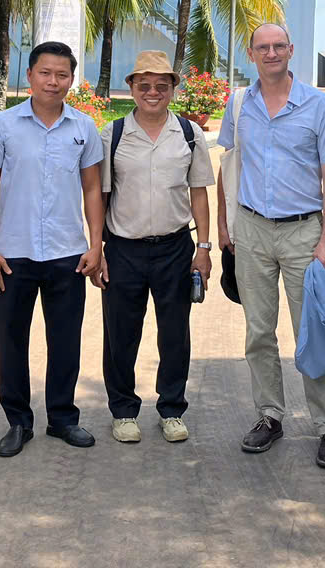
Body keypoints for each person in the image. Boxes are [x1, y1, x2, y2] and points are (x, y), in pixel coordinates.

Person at [216, 22, 325, 468]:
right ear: (251, 54)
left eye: (279, 46)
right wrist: (224, 226)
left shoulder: (316, 105)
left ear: (291, 51)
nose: (271, 53)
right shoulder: (238, 104)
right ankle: (269, 415)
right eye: (262, 47)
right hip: (251, 229)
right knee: (258, 331)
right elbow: (228, 165)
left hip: (304, 232)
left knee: (312, 331)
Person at [0, 41, 106, 456]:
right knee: (11, 340)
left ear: (72, 79)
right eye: (45, 73)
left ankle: (63, 419)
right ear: (30, 75)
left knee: (65, 340)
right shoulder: (3, 124)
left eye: (62, 74)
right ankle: (17, 421)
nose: (54, 82)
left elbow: (92, 190)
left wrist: (96, 244)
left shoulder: (83, 127)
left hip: (68, 252)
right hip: (12, 253)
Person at [99, 50, 214, 444]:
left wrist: (204, 247)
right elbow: (99, 197)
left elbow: (199, 194)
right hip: (122, 249)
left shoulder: (188, 133)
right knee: (120, 334)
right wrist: (97, 248)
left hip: (175, 248)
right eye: (144, 85)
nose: (152, 92)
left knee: (174, 333)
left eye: (161, 86)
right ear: (131, 88)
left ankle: (171, 409)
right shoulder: (112, 135)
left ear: (172, 90)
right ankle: (124, 411)